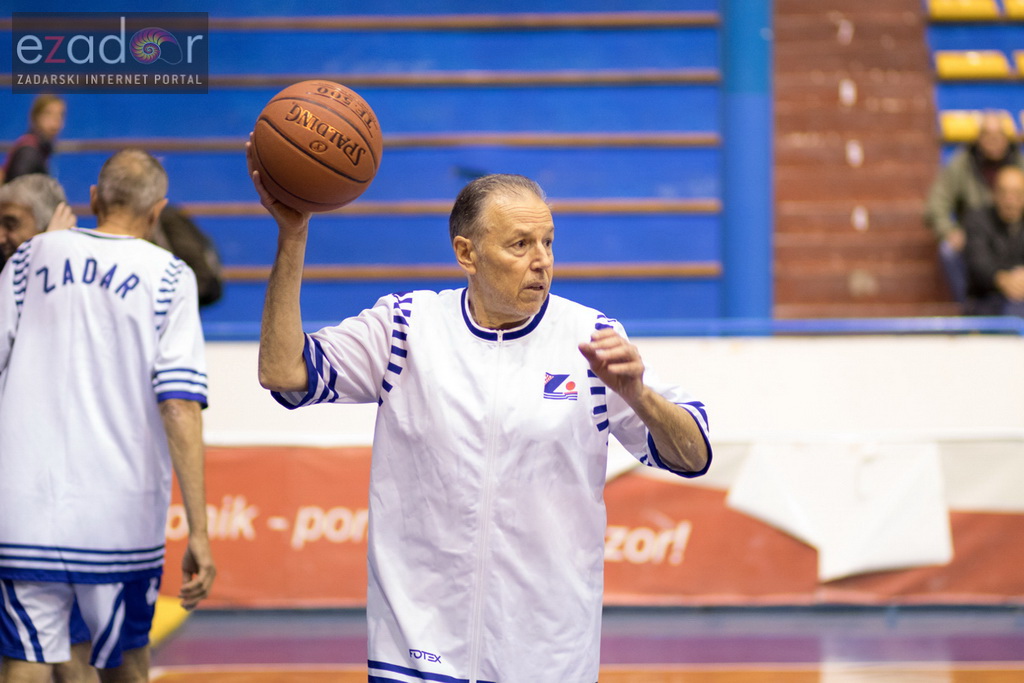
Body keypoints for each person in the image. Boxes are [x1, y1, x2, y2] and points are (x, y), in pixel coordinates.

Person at [249, 138, 712, 683]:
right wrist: (294, 237)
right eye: (519, 244)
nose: (541, 261)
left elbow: (693, 455)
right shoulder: (406, 327)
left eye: (548, 242)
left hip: (547, 653)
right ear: (467, 253)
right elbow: (284, 372)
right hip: (416, 646)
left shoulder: (591, 338)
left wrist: (641, 397)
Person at [0, 149, 216, 683]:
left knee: (24, 660)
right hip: (118, 518)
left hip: (24, 508)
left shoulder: (28, 259)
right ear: (158, 208)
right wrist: (200, 530)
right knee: (124, 665)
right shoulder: (169, 275)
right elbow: (180, 405)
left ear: (93, 199)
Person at [925, 111, 1024, 304]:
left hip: (1012, 234)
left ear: (1007, 139)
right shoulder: (962, 164)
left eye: (998, 135)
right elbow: (935, 204)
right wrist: (949, 230)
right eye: (987, 135)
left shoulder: (1019, 163)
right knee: (949, 250)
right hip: (975, 237)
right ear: (979, 139)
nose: (993, 140)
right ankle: (968, 310)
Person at [963, 165, 1024, 316]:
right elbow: (978, 263)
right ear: (994, 194)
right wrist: (1003, 280)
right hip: (987, 297)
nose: (1009, 200)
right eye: (1003, 193)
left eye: (1016, 193)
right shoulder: (976, 219)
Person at [0, 173, 75, 272]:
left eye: (10, 225)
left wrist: (50, 245)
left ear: (48, 224)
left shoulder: (78, 266)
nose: (1, 239)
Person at [2, 95, 66, 184]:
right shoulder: (29, 150)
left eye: (61, 114)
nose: (56, 119)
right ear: (35, 117)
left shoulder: (41, 148)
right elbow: (17, 191)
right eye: (48, 113)